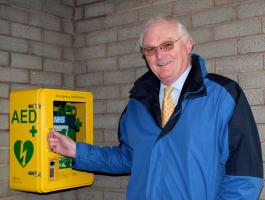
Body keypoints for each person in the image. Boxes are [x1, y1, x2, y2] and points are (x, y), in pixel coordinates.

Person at [48, 16, 263, 199]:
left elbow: (246, 175)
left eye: (167, 45)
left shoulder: (223, 95)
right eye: (150, 50)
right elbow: (128, 158)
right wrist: (78, 151)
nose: (160, 56)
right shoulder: (136, 104)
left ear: (188, 44)